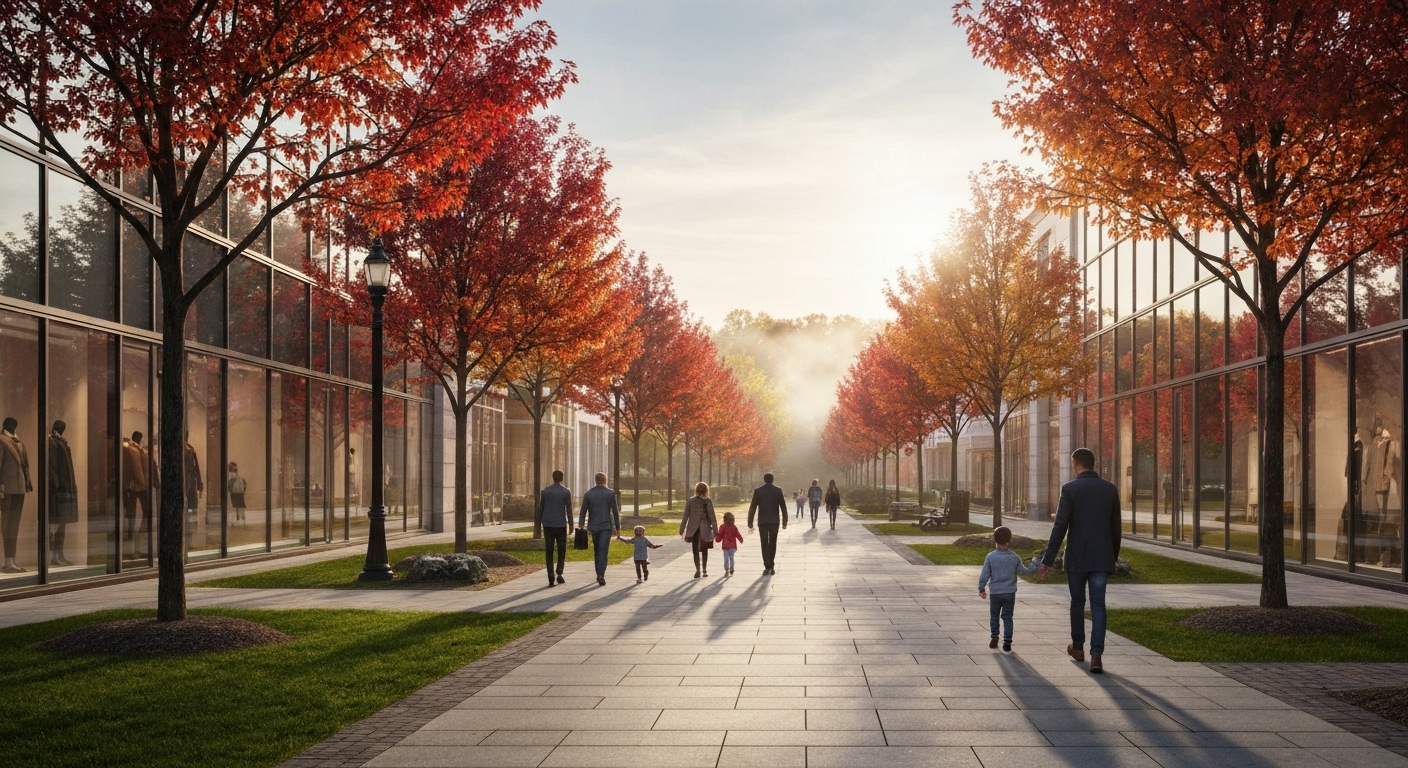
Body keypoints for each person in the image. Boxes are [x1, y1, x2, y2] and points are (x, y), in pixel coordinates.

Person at [1040, 447, 1122, 674]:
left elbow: (1061, 526)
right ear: (1093, 464)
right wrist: (1112, 557)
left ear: (1075, 462)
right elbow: (1116, 528)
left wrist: (1047, 559)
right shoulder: (1110, 489)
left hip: (1077, 556)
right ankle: (1097, 655)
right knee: (1098, 605)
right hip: (1101, 556)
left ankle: (1078, 647)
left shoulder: (1069, 489)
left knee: (1077, 602)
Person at [979, 526, 1041, 653]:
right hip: (1009, 593)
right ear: (1009, 541)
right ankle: (1007, 641)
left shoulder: (990, 557)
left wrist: (981, 588)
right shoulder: (1014, 557)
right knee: (1007, 617)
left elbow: (985, 574)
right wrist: (1035, 562)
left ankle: (994, 637)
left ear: (994, 540)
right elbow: (1026, 571)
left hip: (995, 592)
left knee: (994, 616)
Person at [578, 472, 621, 586]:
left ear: (595, 480)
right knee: (603, 550)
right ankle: (601, 573)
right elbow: (615, 511)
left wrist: (581, 525)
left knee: (597, 550)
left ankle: (599, 572)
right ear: (605, 480)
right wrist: (617, 526)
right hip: (606, 526)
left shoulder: (588, 494)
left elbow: (583, 511)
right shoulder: (610, 493)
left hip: (593, 526)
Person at [747, 472, 788, 575]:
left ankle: (767, 565)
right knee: (773, 542)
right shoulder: (778, 491)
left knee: (764, 543)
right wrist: (784, 521)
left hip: (763, 520)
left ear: (764, 480)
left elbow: (753, 507)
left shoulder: (758, 491)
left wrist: (750, 522)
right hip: (774, 521)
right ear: (772, 479)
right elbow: (783, 507)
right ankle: (772, 565)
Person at [539, 469, 573, 586]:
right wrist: (571, 524)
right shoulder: (565, 492)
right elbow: (569, 509)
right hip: (560, 524)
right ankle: (559, 572)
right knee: (561, 549)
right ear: (562, 479)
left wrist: (539, 524)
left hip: (548, 524)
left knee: (549, 551)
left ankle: (550, 576)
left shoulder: (545, 492)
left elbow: (541, 509)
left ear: (553, 478)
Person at [679, 482, 718, 578]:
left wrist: (682, 528)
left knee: (695, 550)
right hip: (705, 528)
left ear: (696, 491)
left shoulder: (691, 501)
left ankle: (697, 570)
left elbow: (685, 515)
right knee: (704, 550)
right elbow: (712, 516)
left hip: (693, 529)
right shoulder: (708, 501)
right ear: (706, 491)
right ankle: (704, 570)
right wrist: (716, 530)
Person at [715, 511, 744, 576]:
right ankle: (731, 568)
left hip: (726, 546)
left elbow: (720, 535)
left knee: (726, 558)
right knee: (731, 557)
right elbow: (738, 534)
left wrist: (717, 539)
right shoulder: (733, 527)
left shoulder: (723, 527)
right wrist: (741, 540)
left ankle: (727, 569)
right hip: (732, 546)